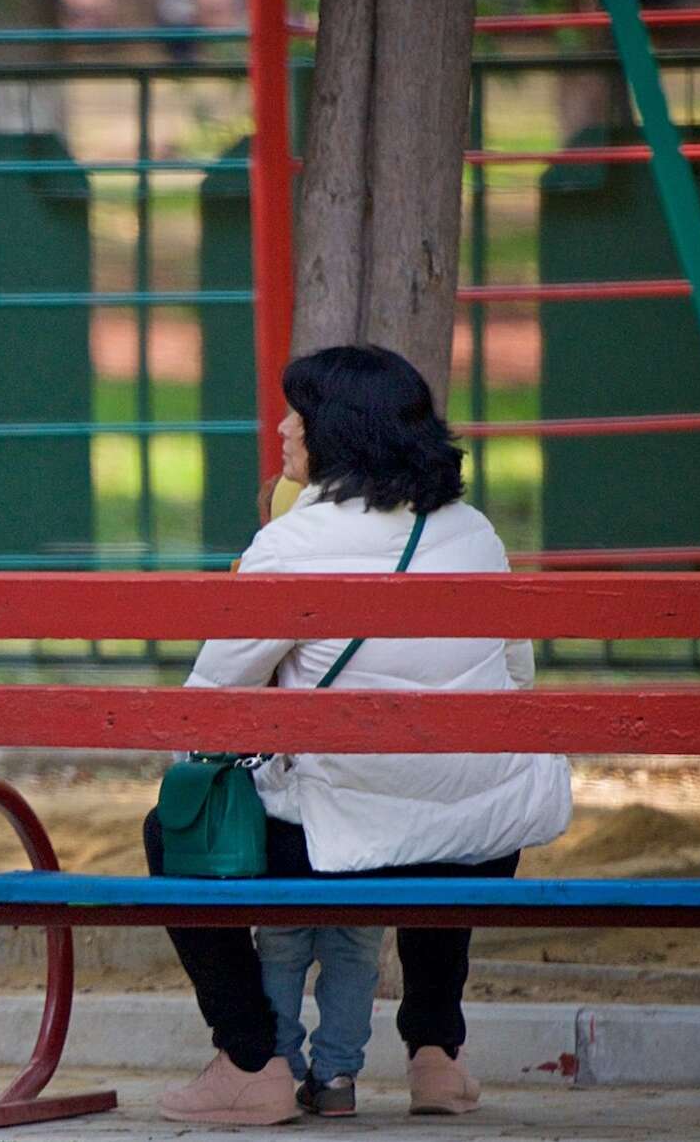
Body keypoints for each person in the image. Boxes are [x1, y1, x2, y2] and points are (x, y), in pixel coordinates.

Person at [147, 344, 571, 1126]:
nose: (281, 429)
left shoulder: (291, 545)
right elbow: (517, 681)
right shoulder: (475, 533)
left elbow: (205, 708)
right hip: (475, 843)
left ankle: (250, 1061)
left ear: (337, 434)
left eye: (297, 417)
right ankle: (436, 1055)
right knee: (450, 802)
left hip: (337, 843)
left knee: (171, 826)